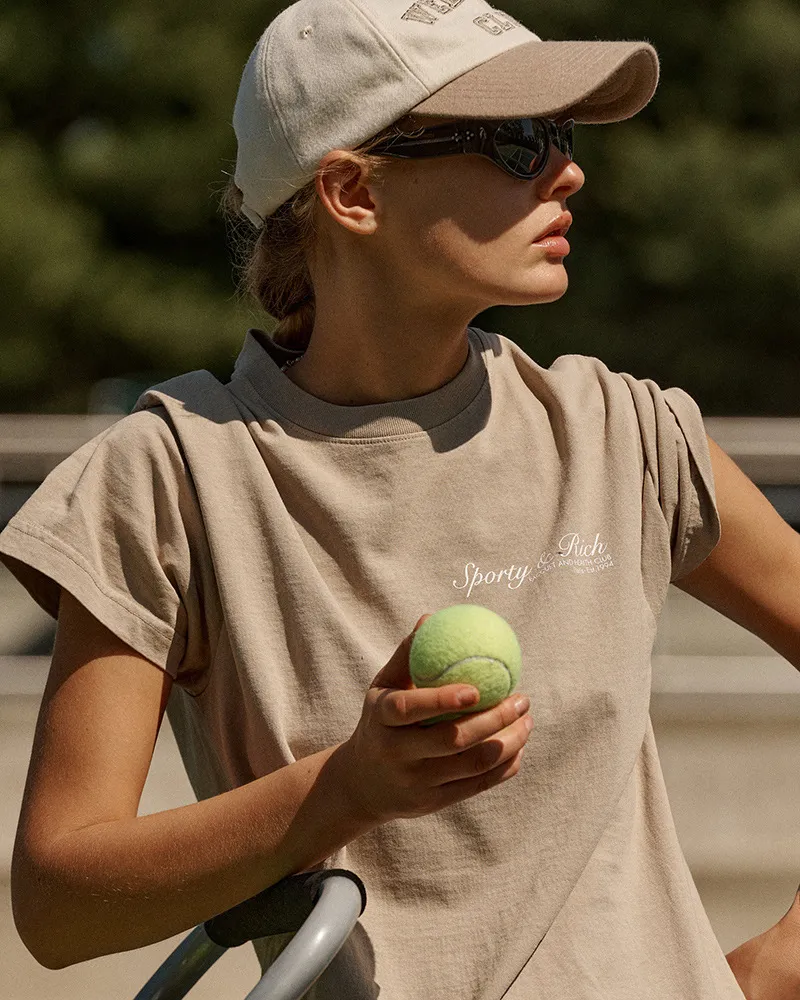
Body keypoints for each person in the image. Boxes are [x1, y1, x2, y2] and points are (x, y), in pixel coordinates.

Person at [0, 0, 769, 997]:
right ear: (352, 191)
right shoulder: (168, 477)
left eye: (564, 138)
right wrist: (346, 788)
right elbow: (59, 905)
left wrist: (780, 960)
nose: (568, 170)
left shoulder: (629, 434)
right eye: (517, 142)